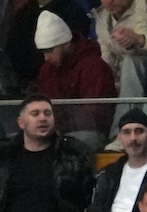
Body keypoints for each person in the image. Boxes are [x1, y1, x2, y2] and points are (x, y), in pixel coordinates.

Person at [32, 12, 117, 154]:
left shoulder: (93, 67)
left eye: (50, 50)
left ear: (66, 44)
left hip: (90, 131)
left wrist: (55, 121)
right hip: (56, 131)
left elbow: (96, 113)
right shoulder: (47, 70)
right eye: (43, 52)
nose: (47, 58)